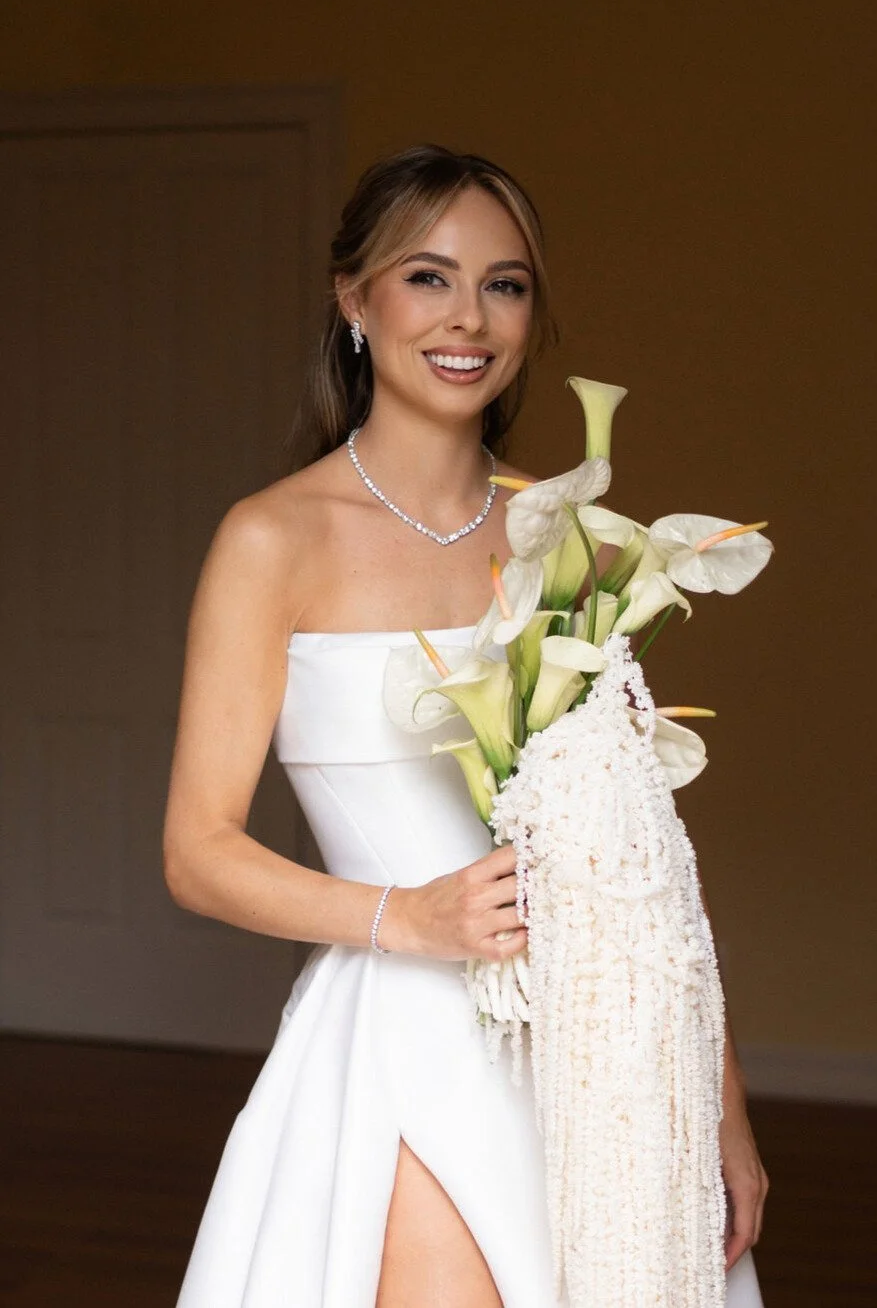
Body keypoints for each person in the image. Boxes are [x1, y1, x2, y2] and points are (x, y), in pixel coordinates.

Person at [163, 144, 768, 1308]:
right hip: (401, 1032)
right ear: (355, 299)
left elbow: (643, 856)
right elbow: (198, 851)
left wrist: (722, 1108)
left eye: (505, 283)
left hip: (604, 1039)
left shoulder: (574, 539)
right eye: (428, 276)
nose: (469, 317)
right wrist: (411, 916)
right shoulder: (271, 540)